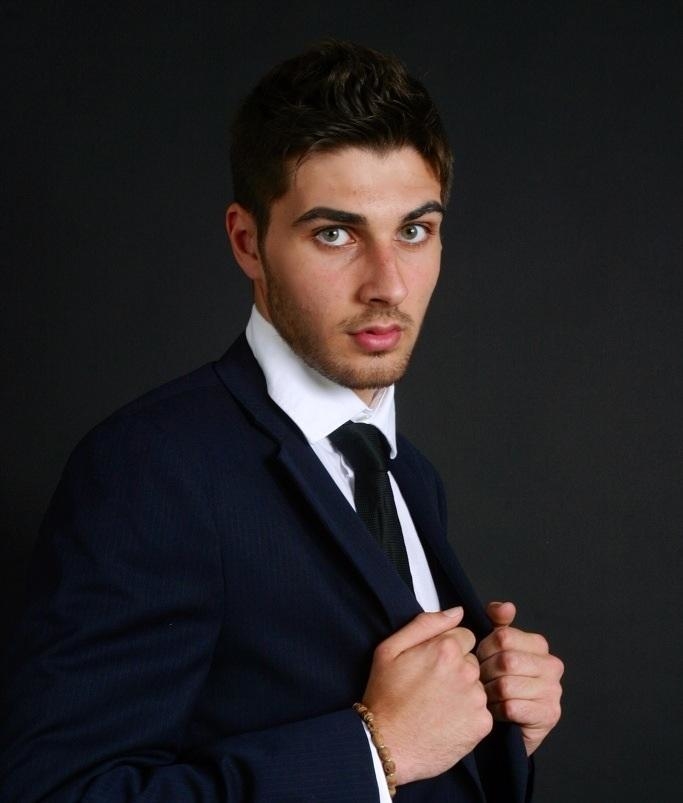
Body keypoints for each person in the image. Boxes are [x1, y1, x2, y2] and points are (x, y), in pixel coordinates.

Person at [0, 40, 563, 802]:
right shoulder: (150, 469)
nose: (388, 284)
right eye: (335, 233)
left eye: (413, 230)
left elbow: (428, 740)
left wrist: (496, 725)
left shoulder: (409, 475)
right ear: (247, 242)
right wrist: (373, 750)